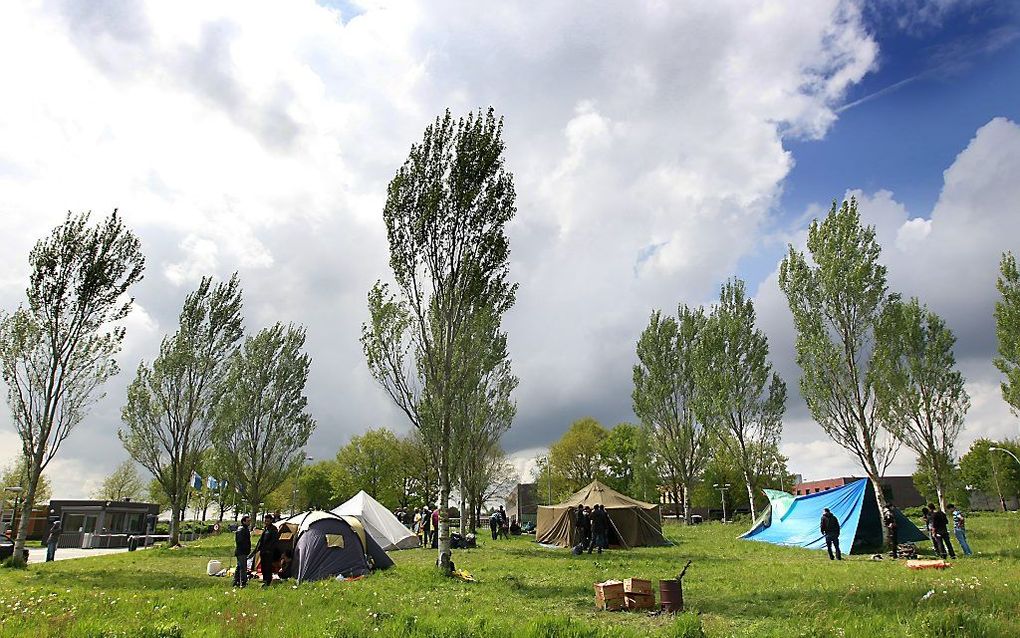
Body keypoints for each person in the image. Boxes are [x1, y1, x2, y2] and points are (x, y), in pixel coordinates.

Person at [253, 514, 278, 588]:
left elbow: (274, 541)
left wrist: (269, 549)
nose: (266, 522)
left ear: (271, 520)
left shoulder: (273, 529)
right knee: (263, 566)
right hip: (263, 551)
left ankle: (268, 581)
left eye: (268, 521)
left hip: (269, 552)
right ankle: (265, 580)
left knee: (268, 567)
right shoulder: (266, 529)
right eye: (265, 521)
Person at [232, 515, 251, 588]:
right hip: (241, 551)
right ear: (243, 521)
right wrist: (245, 548)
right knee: (243, 567)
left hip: (242, 551)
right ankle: (243, 583)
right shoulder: (241, 530)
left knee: (239, 567)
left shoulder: (244, 529)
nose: (249, 522)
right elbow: (240, 541)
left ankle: (236, 582)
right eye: (248, 521)